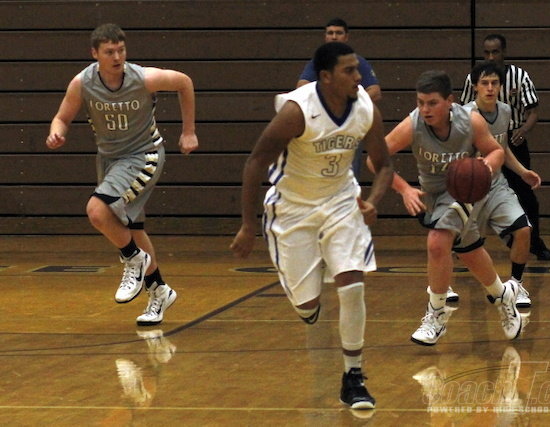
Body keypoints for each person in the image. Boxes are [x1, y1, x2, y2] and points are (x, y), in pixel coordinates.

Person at [231, 42, 393, 410]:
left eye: (358, 69)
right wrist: (247, 225)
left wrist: (373, 200)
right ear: (326, 77)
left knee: (352, 284)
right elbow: (255, 162)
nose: (359, 77)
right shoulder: (297, 111)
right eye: (349, 71)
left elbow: (384, 164)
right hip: (293, 209)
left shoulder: (365, 109)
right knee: (307, 306)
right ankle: (310, 292)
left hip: (341, 203)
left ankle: (353, 376)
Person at [46, 23, 198, 325]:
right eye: (109, 52)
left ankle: (133, 258)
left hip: (143, 156)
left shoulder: (143, 78)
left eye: (121, 50)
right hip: (110, 160)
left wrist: (189, 131)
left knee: (97, 210)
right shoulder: (82, 83)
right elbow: (61, 117)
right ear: (95, 54)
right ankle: (159, 291)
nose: (117, 57)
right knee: (132, 230)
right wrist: (56, 132)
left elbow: (184, 82)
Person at [369, 70, 522, 346]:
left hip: (466, 191)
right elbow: (375, 160)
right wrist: (404, 189)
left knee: (437, 242)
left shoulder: (470, 121)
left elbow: (496, 151)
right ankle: (503, 295)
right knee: (469, 251)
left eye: (432, 103)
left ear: (449, 101)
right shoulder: (412, 125)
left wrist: (485, 167)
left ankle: (436, 314)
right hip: (434, 196)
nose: (425, 109)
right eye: (420, 103)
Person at [450, 61, 541, 308]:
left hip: (496, 185)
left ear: (501, 86)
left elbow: (502, 148)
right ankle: (442, 287)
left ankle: (516, 286)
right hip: (469, 188)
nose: (490, 88)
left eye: (495, 83)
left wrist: (522, 172)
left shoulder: (505, 111)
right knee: (450, 239)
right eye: (485, 83)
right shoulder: (463, 116)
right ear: (475, 86)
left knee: (524, 230)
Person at [460, 34, 550, 261]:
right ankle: (464, 246)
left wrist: (523, 132)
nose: (491, 56)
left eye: (496, 52)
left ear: (504, 52)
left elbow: (533, 111)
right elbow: (461, 115)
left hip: (509, 138)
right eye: (487, 52)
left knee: (525, 196)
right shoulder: (471, 92)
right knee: (470, 201)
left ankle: (532, 243)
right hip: (475, 148)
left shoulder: (518, 79)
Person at [297, 17, 382, 179]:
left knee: (350, 173)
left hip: (350, 124)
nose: (334, 37)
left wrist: (349, 102)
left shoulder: (358, 62)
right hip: (321, 125)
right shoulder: (318, 62)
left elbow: (375, 91)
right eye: (330, 33)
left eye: (338, 33)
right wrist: (326, 102)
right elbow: (301, 87)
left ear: (346, 37)